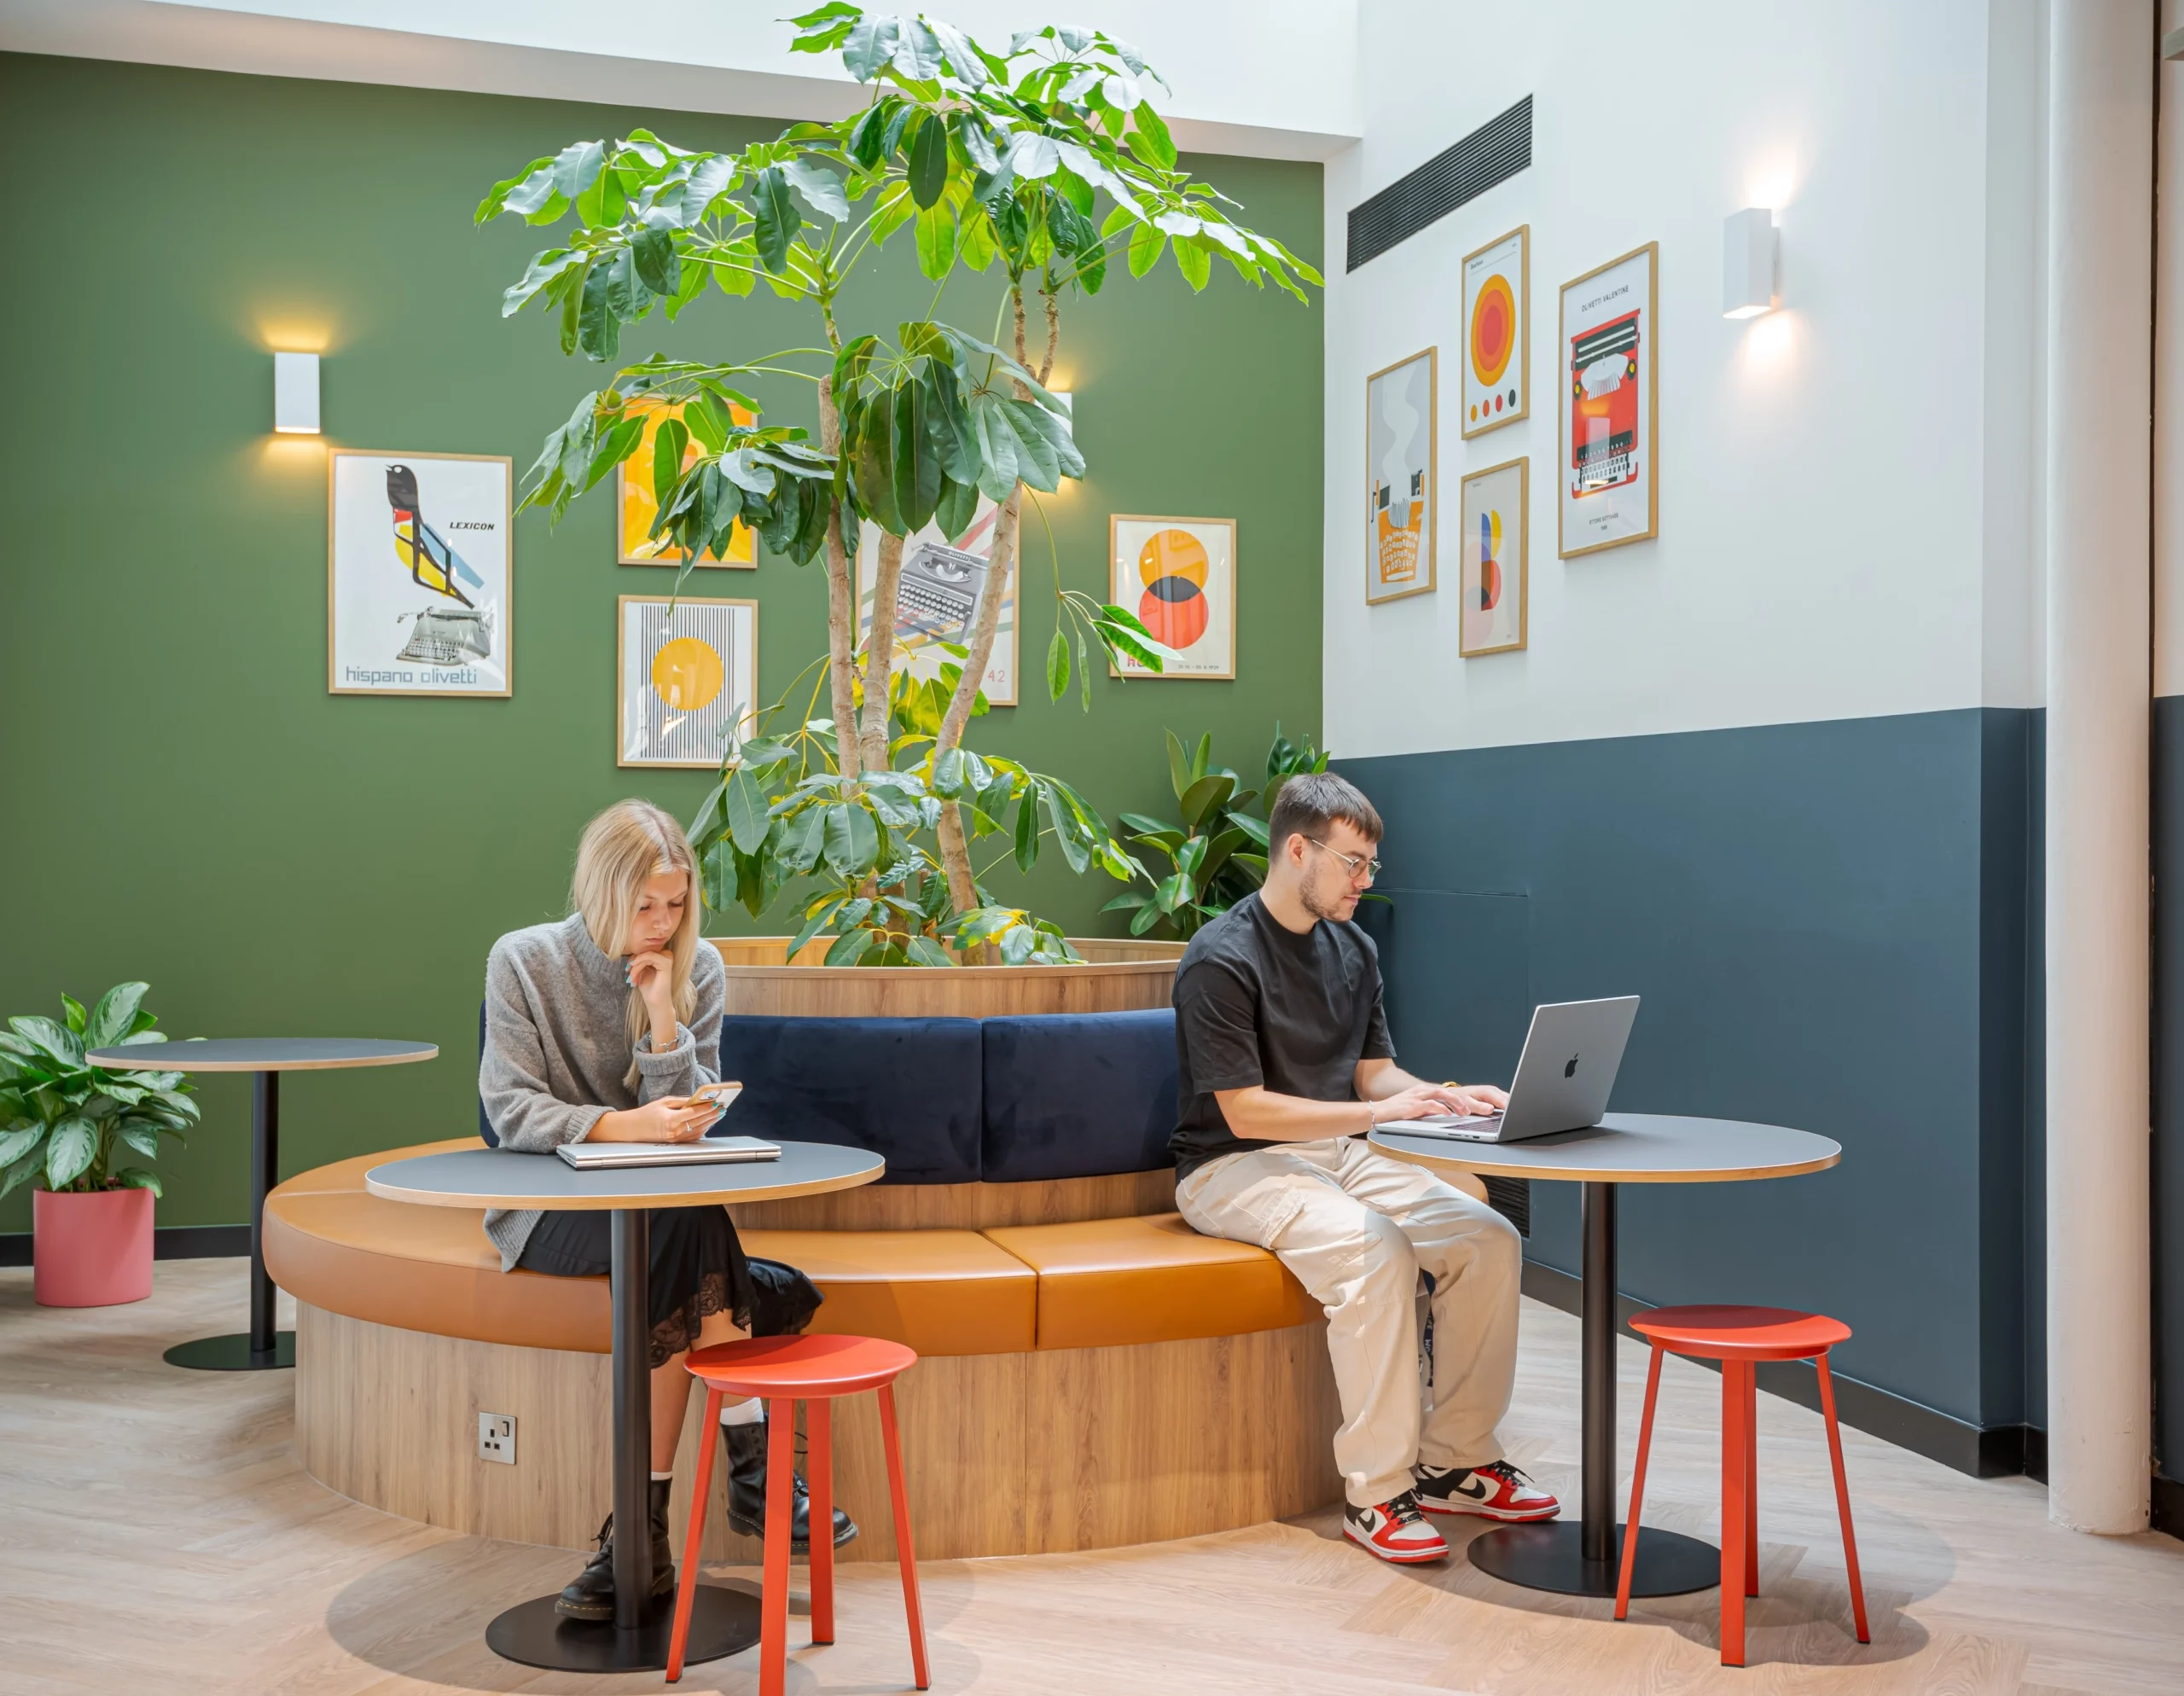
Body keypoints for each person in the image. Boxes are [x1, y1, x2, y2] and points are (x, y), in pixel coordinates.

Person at [479, 799, 856, 1621]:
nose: (660, 922)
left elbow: (692, 1119)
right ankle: (754, 1472)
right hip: (548, 1208)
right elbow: (510, 1110)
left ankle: (638, 1543)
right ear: (599, 891)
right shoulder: (523, 961)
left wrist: (660, 1016)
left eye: (676, 903)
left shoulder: (699, 967)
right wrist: (623, 1126)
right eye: (644, 904)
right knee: (693, 1231)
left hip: (662, 1214)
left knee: (678, 1222)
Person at [1170, 772, 1560, 1564]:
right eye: (1353, 864)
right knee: (1375, 1248)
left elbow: (1373, 1074)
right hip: (1230, 1167)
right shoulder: (1221, 957)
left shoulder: (1354, 948)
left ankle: (1459, 1461)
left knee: (1487, 1239)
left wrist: (1446, 1097)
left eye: (1370, 866)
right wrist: (1382, 1116)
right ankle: (1378, 1496)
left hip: (1338, 1151)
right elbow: (1246, 1112)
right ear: (1297, 850)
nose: (1364, 881)